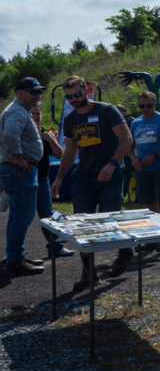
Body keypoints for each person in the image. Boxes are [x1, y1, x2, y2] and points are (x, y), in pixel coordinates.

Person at [51, 75, 135, 290]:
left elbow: (126, 139)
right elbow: (70, 151)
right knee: (82, 226)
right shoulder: (70, 119)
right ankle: (89, 273)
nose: (74, 100)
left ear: (86, 91)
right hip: (84, 177)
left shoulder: (106, 110)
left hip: (110, 175)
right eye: (69, 97)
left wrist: (112, 164)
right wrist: (59, 178)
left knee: (109, 221)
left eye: (78, 95)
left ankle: (125, 252)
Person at [0, 77, 46, 275]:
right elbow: (10, 134)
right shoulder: (18, 110)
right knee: (23, 215)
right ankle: (15, 260)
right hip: (20, 169)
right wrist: (18, 158)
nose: (37, 95)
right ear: (20, 93)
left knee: (17, 215)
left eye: (39, 92)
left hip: (16, 169)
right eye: (33, 92)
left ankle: (13, 255)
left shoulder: (17, 109)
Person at [129, 91, 160, 255]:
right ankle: (154, 238)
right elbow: (129, 145)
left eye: (149, 105)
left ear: (155, 105)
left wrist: (156, 156)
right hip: (143, 169)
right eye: (142, 106)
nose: (145, 109)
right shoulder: (135, 123)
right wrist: (134, 159)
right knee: (149, 204)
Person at [30, 103, 75, 259]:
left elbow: (60, 154)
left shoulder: (45, 133)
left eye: (37, 114)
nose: (35, 117)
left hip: (42, 179)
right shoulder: (22, 133)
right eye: (32, 114)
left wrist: (51, 140)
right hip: (24, 180)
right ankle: (13, 253)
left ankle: (56, 247)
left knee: (47, 215)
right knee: (22, 216)